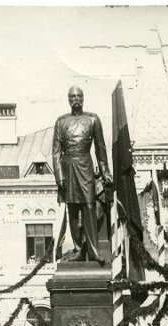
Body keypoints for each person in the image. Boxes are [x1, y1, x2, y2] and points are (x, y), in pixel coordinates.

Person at [51, 85, 110, 261]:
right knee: (73, 209)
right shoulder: (61, 122)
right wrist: (59, 176)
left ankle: (93, 251)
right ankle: (78, 249)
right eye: (72, 97)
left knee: (89, 206)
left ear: (83, 98)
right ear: (68, 100)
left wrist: (105, 171)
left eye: (79, 96)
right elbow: (55, 152)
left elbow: (100, 148)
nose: (76, 99)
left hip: (85, 165)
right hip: (68, 167)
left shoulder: (92, 120)